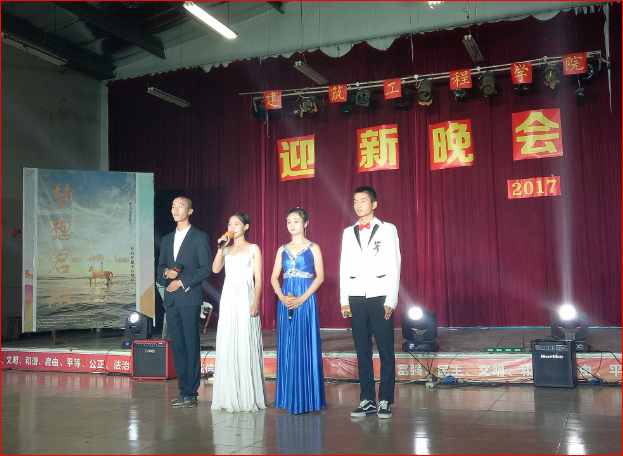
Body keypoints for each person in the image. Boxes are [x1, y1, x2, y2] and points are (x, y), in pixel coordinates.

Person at [340, 186, 401, 419]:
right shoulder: (348, 232)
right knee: (362, 351)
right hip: (356, 296)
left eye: (363, 201)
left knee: (385, 350)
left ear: (374, 204)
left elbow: (395, 263)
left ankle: (385, 399)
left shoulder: (387, 229)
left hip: (380, 296)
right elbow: (344, 267)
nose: (358, 205)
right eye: (355, 201)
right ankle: (367, 399)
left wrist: (391, 299)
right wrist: (344, 300)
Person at [157, 196, 212, 408]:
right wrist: (166, 273)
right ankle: (183, 391)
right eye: (173, 206)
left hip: (189, 298)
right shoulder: (166, 239)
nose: (175, 210)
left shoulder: (199, 237)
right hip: (171, 300)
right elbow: (160, 267)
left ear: (190, 211)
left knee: (191, 345)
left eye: (180, 206)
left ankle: (192, 392)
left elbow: (205, 269)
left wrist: (181, 282)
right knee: (178, 346)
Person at [271, 207, 326, 414]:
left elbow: (320, 277)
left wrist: (303, 298)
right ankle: (288, 398)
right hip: (286, 300)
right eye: (289, 221)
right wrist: (281, 296)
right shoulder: (282, 249)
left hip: (306, 299)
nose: (291, 225)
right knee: (288, 345)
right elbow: (274, 277)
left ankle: (308, 398)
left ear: (305, 223)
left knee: (304, 343)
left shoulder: (313, 247)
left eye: (296, 221)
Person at [211, 212, 267, 412]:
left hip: (245, 296)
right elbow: (215, 269)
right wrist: (221, 247)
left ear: (246, 226)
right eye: (229, 224)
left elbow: (258, 278)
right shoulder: (226, 249)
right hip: (228, 299)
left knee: (245, 340)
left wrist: (256, 302)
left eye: (236, 224)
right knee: (228, 340)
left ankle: (247, 395)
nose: (232, 227)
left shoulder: (253, 248)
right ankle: (230, 395)